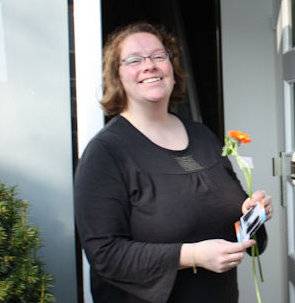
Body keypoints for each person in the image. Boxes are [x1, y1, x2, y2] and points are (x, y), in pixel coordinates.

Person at [74, 22, 272, 303]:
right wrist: (193, 255)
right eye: (134, 60)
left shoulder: (203, 137)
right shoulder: (106, 152)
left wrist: (253, 215)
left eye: (158, 56)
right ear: (117, 76)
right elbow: (105, 254)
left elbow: (231, 227)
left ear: (172, 68)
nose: (149, 66)